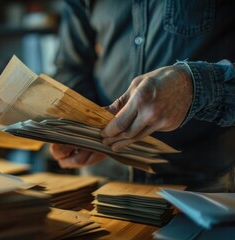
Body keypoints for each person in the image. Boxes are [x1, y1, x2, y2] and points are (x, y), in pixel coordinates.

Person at [49, 0, 235, 192]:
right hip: (103, 181)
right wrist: (83, 124)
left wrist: (193, 86)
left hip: (205, 185)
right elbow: (71, 66)